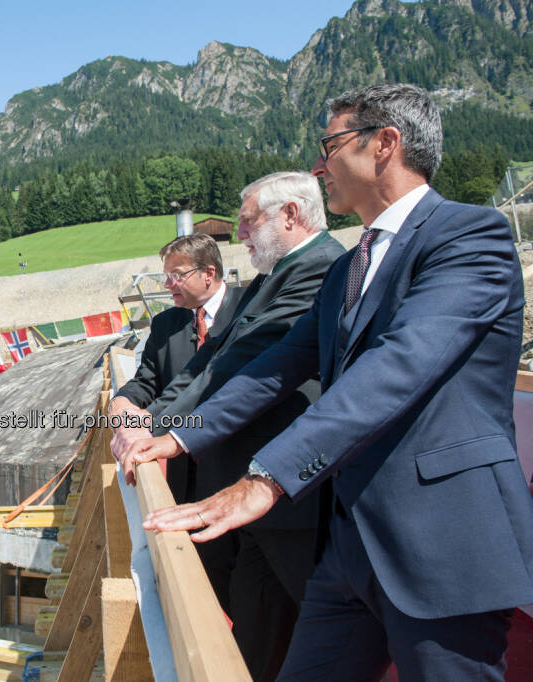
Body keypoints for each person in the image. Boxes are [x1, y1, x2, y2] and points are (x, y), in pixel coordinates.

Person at [123, 83, 533, 680]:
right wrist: (175, 436)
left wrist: (264, 479)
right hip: (351, 546)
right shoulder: (348, 265)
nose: (318, 166)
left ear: (385, 144)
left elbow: (395, 370)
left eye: (330, 144)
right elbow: (276, 366)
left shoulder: (469, 238)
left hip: (445, 543)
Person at [114, 171, 345, 681]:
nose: (239, 234)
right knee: (256, 622)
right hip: (256, 487)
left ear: (290, 215)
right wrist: (147, 421)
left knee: (323, 629)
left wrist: (167, 435)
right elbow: (210, 362)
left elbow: (243, 365)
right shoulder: (272, 278)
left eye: (248, 221)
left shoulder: (319, 268)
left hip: (292, 484)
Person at [110, 233, 245, 503]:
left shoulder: (248, 309)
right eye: (166, 275)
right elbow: (147, 381)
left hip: (241, 469)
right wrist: (121, 402)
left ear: (208, 273)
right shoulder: (165, 324)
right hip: (187, 475)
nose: (169, 284)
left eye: (177, 274)